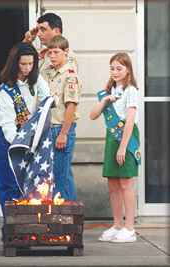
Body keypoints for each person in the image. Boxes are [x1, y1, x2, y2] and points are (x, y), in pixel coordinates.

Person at [0, 42, 50, 216]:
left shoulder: (34, 79)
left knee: (27, 182)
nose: (27, 68)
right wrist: (22, 145)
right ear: (15, 63)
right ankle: (11, 225)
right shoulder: (6, 90)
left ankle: (25, 224)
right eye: (23, 64)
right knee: (9, 183)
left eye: (31, 64)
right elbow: (8, 126)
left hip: (27, 136)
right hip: (7, 138)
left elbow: (47, 97)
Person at [89, 52, 140, 243]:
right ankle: (117, 224)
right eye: (112, 68)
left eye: (119, 68)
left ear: (128, 70)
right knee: (113, 183)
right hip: (112, 137)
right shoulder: (108, 91)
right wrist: (105, 100)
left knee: (126, 182)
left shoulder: (131, 90)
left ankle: (129, 228)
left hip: (126, 137)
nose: (115, 72)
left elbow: (130, 121)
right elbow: (92, 115)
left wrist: (123, 148)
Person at [42, 36, 80, 201]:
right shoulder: (47, 72)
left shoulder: (70, 75)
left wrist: (63, 133)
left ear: (66, 53)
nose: (52, 56)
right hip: (47, 128)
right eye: (50, 52)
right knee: (51, 176)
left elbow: (71, 106)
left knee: (61, 177)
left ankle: (68, 219)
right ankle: (59, 217)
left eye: (56, 52)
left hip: (60, 128)